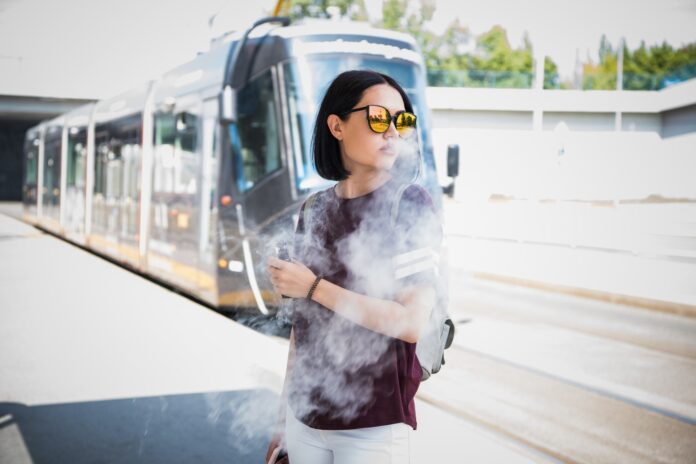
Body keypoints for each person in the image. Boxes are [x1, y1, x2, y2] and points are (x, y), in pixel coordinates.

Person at [265, 69, 442, 464]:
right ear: (337, 126)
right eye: (379, 117)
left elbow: (412, 323)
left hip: (372, 428)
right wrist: (282, 422)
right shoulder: (313, 209)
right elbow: (302, 330)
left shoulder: (409, 204)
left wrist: (314, 287)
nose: (393, 131)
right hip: (304, 418)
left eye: (403, 120)